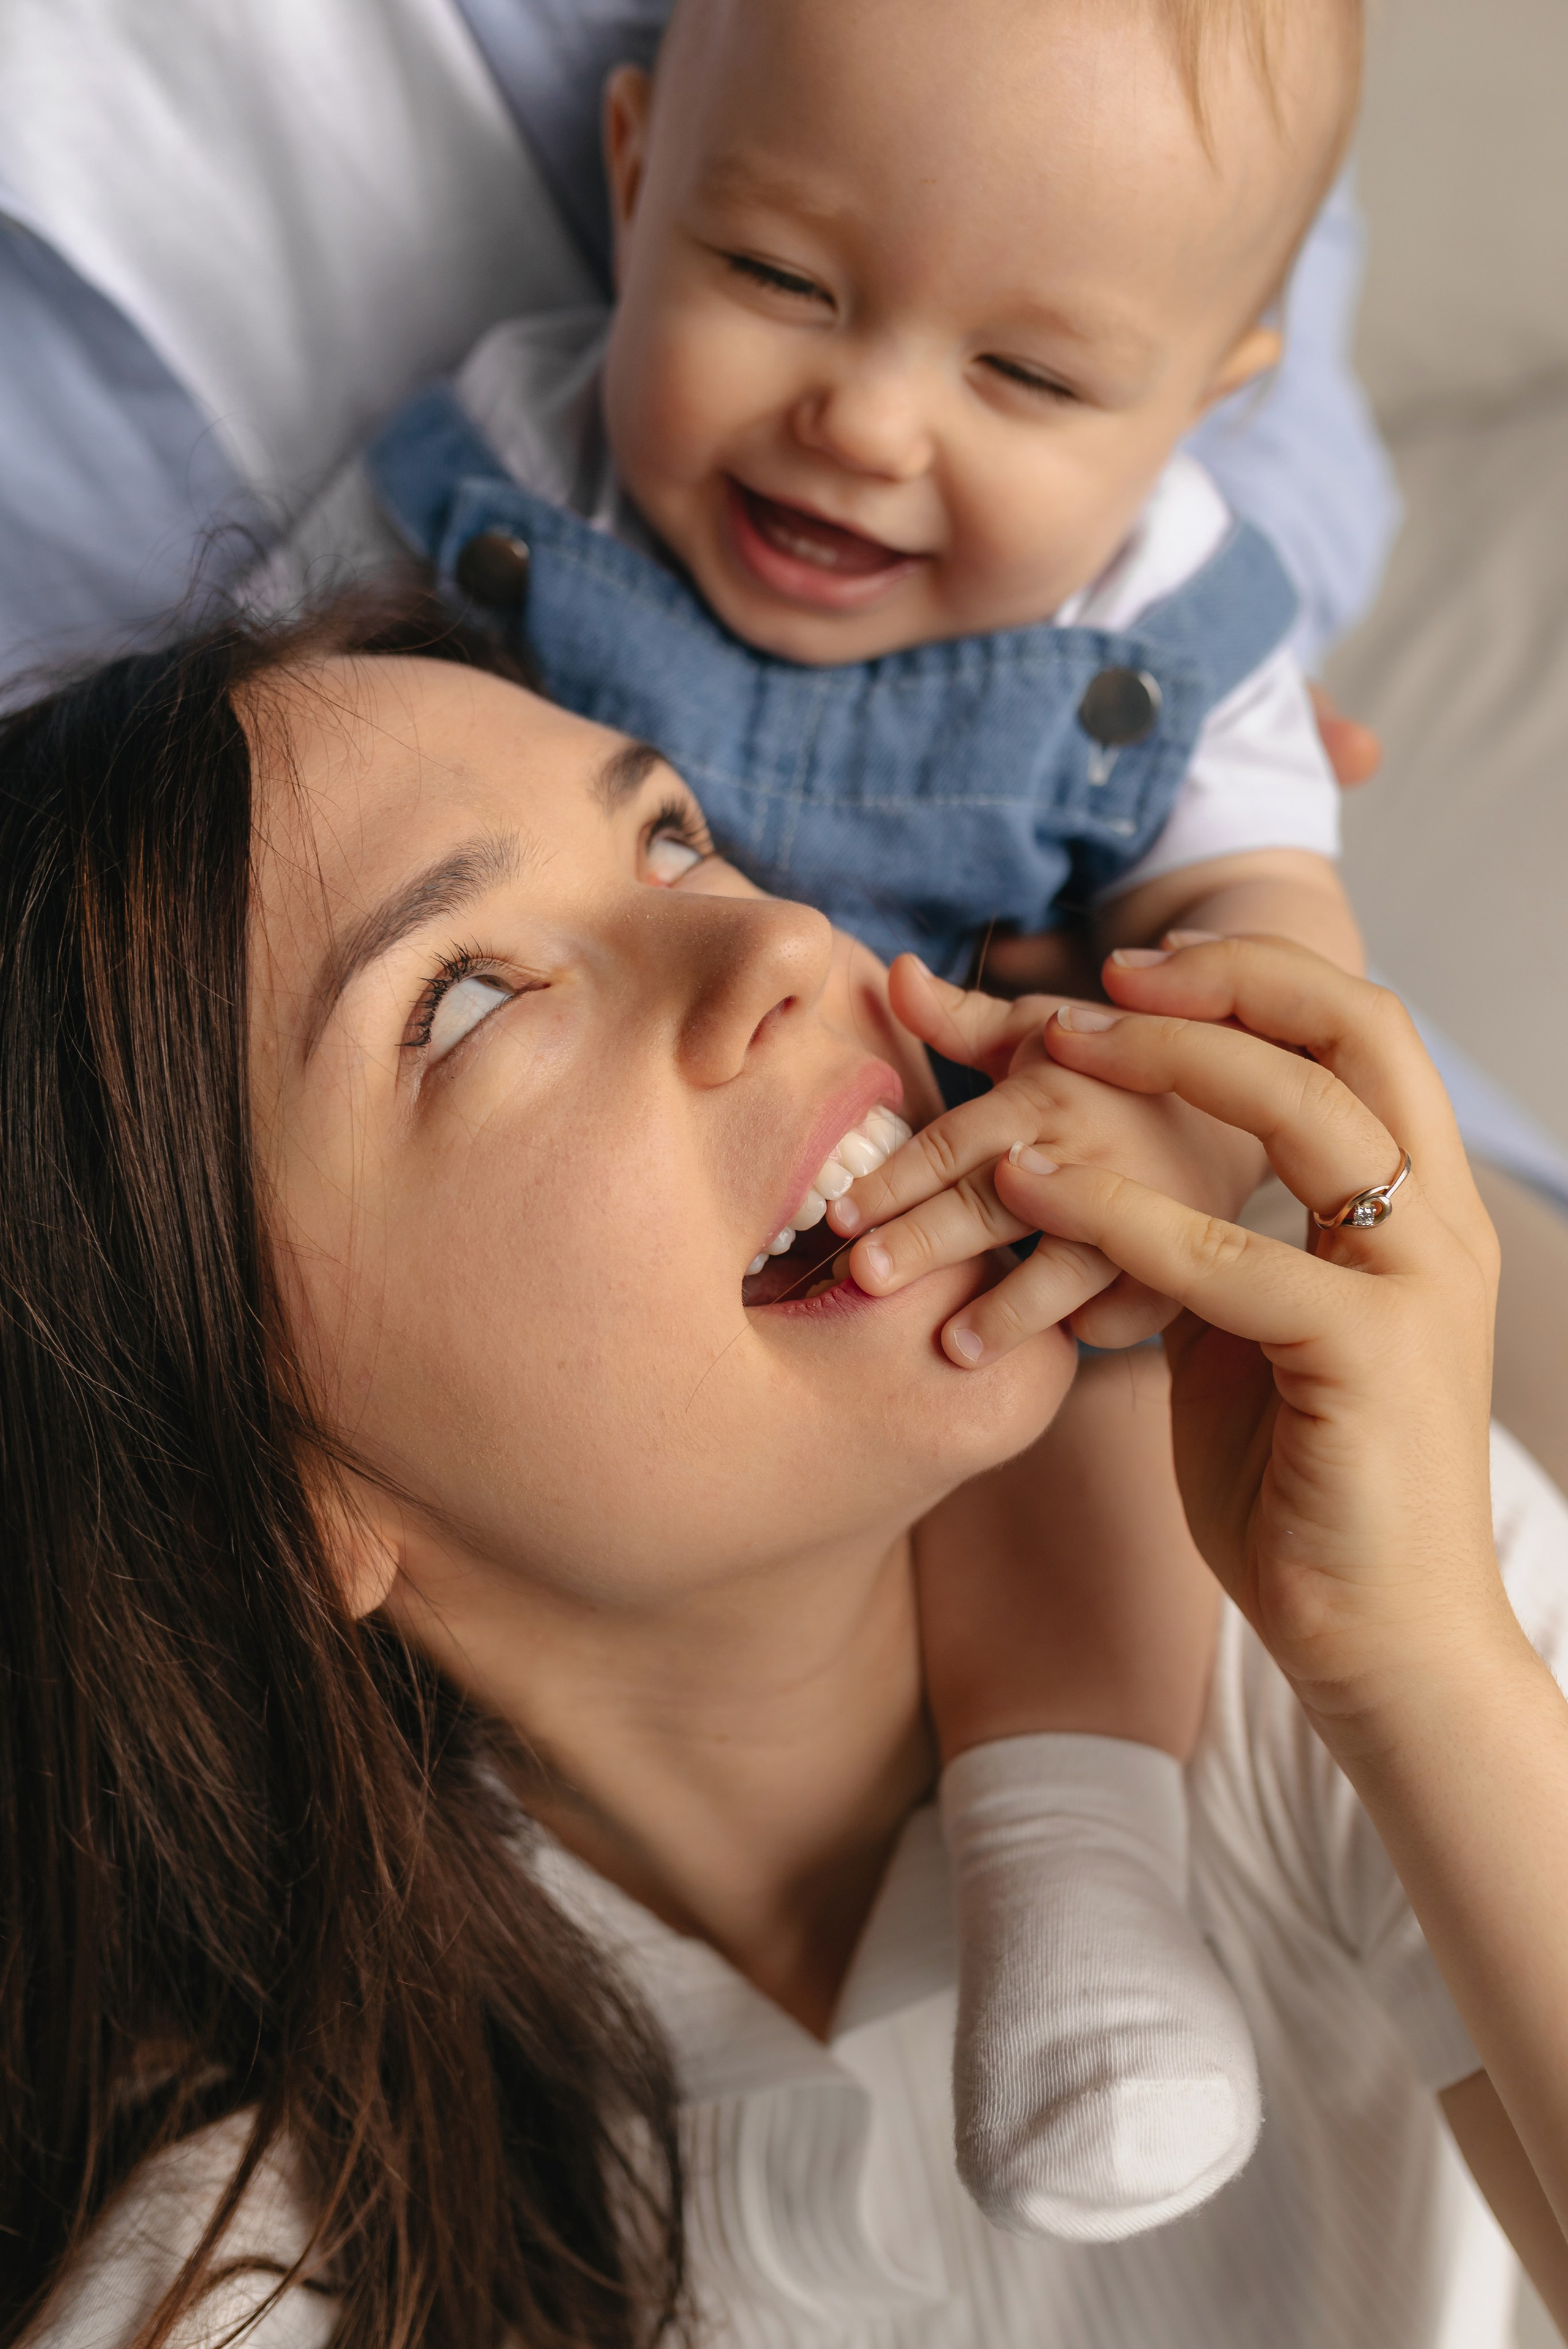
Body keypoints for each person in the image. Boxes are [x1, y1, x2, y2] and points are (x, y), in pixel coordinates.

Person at [7, 600, 1568, 2349]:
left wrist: (1418, 1651)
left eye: (672, 833)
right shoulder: (242, 2278)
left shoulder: (1338, 1601)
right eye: (466, 997)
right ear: (270, 1504)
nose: (776, 943)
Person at [262, 0, 1371, 2234]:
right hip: (643, 1278)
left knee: (1102, 1407)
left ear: (1206, 398)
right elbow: (274, 838)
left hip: (1009, 1160)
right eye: (780, 280)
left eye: (1030, 381)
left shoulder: (1175, 615)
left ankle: (1079, 1866)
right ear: (639, 166)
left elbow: (1282, 965)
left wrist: (1161, 1153)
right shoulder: (496, 477)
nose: (862, 421)